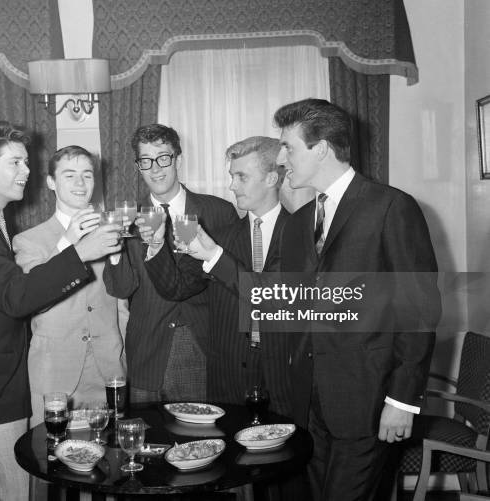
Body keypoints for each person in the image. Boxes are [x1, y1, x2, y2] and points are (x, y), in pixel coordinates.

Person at [0, 121, 121, 501]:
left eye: (27, 163)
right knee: (14, 493)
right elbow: (16, 296)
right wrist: (80, 252)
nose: (28, 172)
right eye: (15, 163)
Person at [273, 98, 442, 501]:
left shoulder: (391, 207)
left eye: (288, 147)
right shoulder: (305, 216)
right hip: (313, 408)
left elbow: (419, 310)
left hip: (367, 403)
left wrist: (402, 399)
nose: (281, 158)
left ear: (322, 149)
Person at [144, 136, 293, 415]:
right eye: (231, 176)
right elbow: (176, 289)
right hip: (227, 379)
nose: (231, 186)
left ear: (272, 178)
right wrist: (156, 243)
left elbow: (273, 298)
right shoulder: (220, 237)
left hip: (284, 374)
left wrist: (214, 257)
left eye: (241, 177)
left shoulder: (302, 235)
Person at [103, 123, 239, 403]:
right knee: (147, 443)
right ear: (138, 166)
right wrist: (114, 251)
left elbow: (234, 284)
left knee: (203, 441)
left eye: (163, 158)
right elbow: (120, 289)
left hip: (205, 345)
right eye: (146, 161)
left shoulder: (219, 212)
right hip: (147, 348)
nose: (155, 168)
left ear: (178, 159)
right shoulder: (126, 218)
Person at [13, 145, 128, 425]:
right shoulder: (28, 241)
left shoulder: (112, 231)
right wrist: (68, 244)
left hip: (108, 370)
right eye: (69, 175)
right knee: (50, 461)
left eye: (87, 175)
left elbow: (123, 303)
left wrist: (124, 355)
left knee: (112, 461)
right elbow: (34, 298)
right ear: (51, 182)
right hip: (55, 375)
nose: (80, 183)